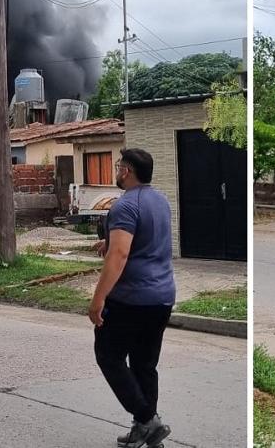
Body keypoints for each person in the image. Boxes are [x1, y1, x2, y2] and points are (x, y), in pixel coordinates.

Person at [90, 148, 177, 448]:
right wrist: (109, 240)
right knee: (144, 365)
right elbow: (143, 239)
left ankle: (147, 419)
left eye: (118, 167)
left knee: (108, 355)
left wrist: (98, 299)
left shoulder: (124, 205)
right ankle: (145, 429)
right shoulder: (160, 200)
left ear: (126, 171)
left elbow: (121, 253)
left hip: (131, 299)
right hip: (162, 297)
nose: (116, 171)